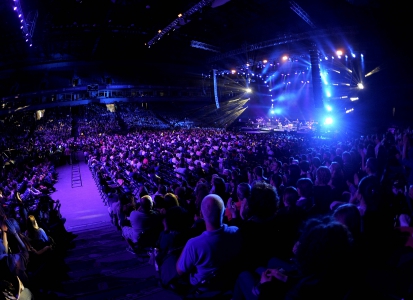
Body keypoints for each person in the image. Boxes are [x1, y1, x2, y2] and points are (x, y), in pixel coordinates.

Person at [176, 194, 242, 291]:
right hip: (229, 281)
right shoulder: (236, 231)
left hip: (204, 287)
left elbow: (180, 271)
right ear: (224, 213)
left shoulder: (193, 244)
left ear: (201, 215)